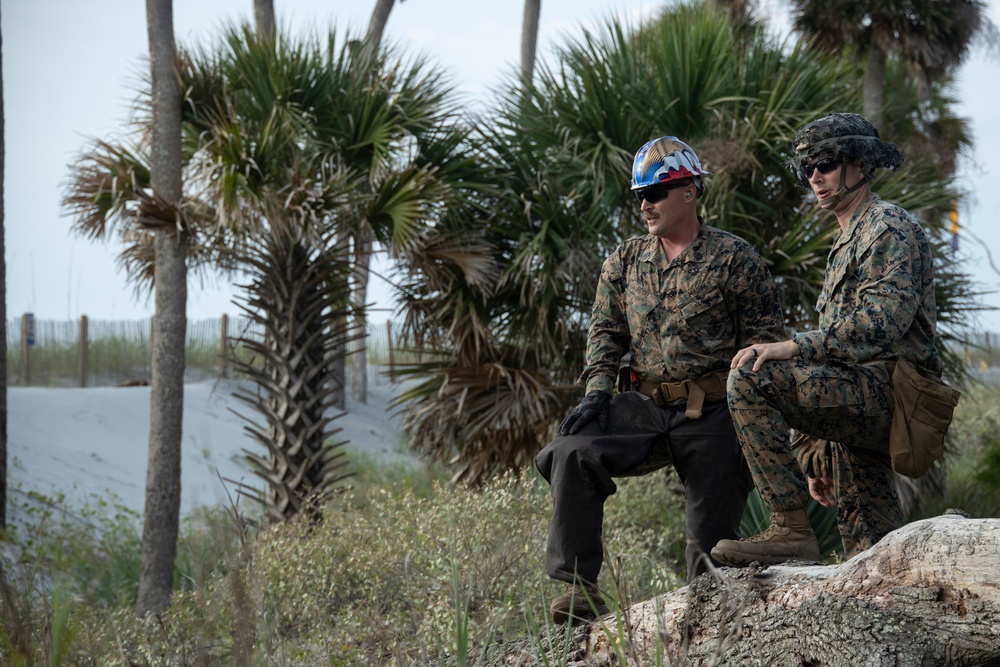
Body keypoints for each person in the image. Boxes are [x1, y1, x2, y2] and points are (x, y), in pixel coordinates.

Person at [534, 136, 785, 624]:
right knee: (571, 450)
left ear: (689, 191)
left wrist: (758, 428)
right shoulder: (626, 260)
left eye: (656, 193)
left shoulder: (735, 259)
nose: (645, 205)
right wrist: (596, 394)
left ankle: (706, 627)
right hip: (644, 405)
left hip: (715, 411)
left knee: (708, 557)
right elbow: (605, 332)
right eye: (639, 196)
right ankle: (579, 590)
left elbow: (765, 347)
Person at [711, 112, 941, 568]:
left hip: (893, 396)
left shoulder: (887, 228)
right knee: (873, 551)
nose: (814, 176)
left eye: (826, 163)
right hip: (864, 397)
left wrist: (793, 346)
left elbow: (882, 323)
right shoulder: (848, 237)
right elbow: (846, 358)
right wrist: (815, 446)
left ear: (860, 164)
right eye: (806, 168)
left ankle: (789, 528)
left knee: (752, 378)